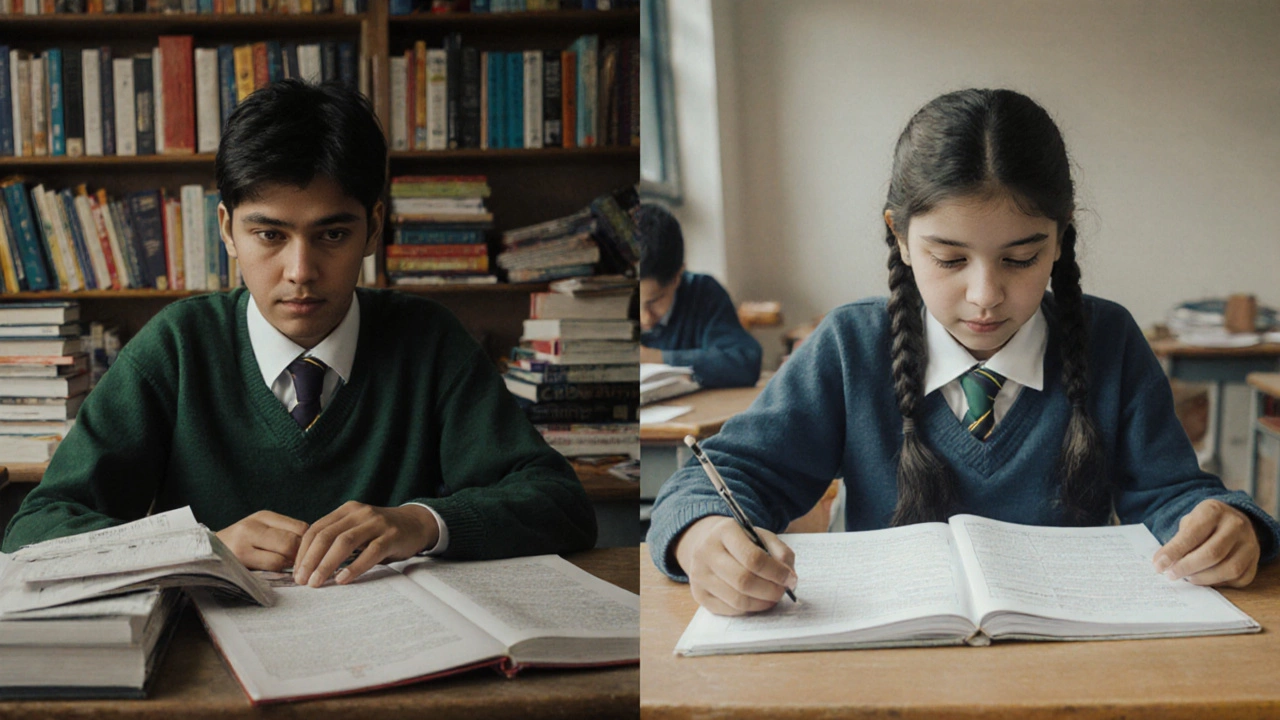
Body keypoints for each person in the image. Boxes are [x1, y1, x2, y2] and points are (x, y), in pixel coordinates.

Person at [647, 88, 1280, 616]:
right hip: (889, 664)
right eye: (949, 258)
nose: (985, 296)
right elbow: (718, 481)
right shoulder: (849, 346)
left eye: (1021, 257)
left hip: (1072, 663)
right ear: (898, 235)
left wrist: (1231, 526)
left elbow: (1174, 496)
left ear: (1062, 240)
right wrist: (704, 536)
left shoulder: (1108, 340)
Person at [3, 80, 596, 586]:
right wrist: (202, 546)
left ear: (373, 230)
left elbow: (560, 503)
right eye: (269, 235)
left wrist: (420, 522)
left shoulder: (426, 339)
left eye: (333, 235)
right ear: (228, 230)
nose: (301, 271)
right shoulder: (178, 347)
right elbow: (37, 527)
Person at [637, 203, 762, 388]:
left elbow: (745, 361)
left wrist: (656, 358)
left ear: (677, 276)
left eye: (655, 300)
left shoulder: (703, 294)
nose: (644, 317)